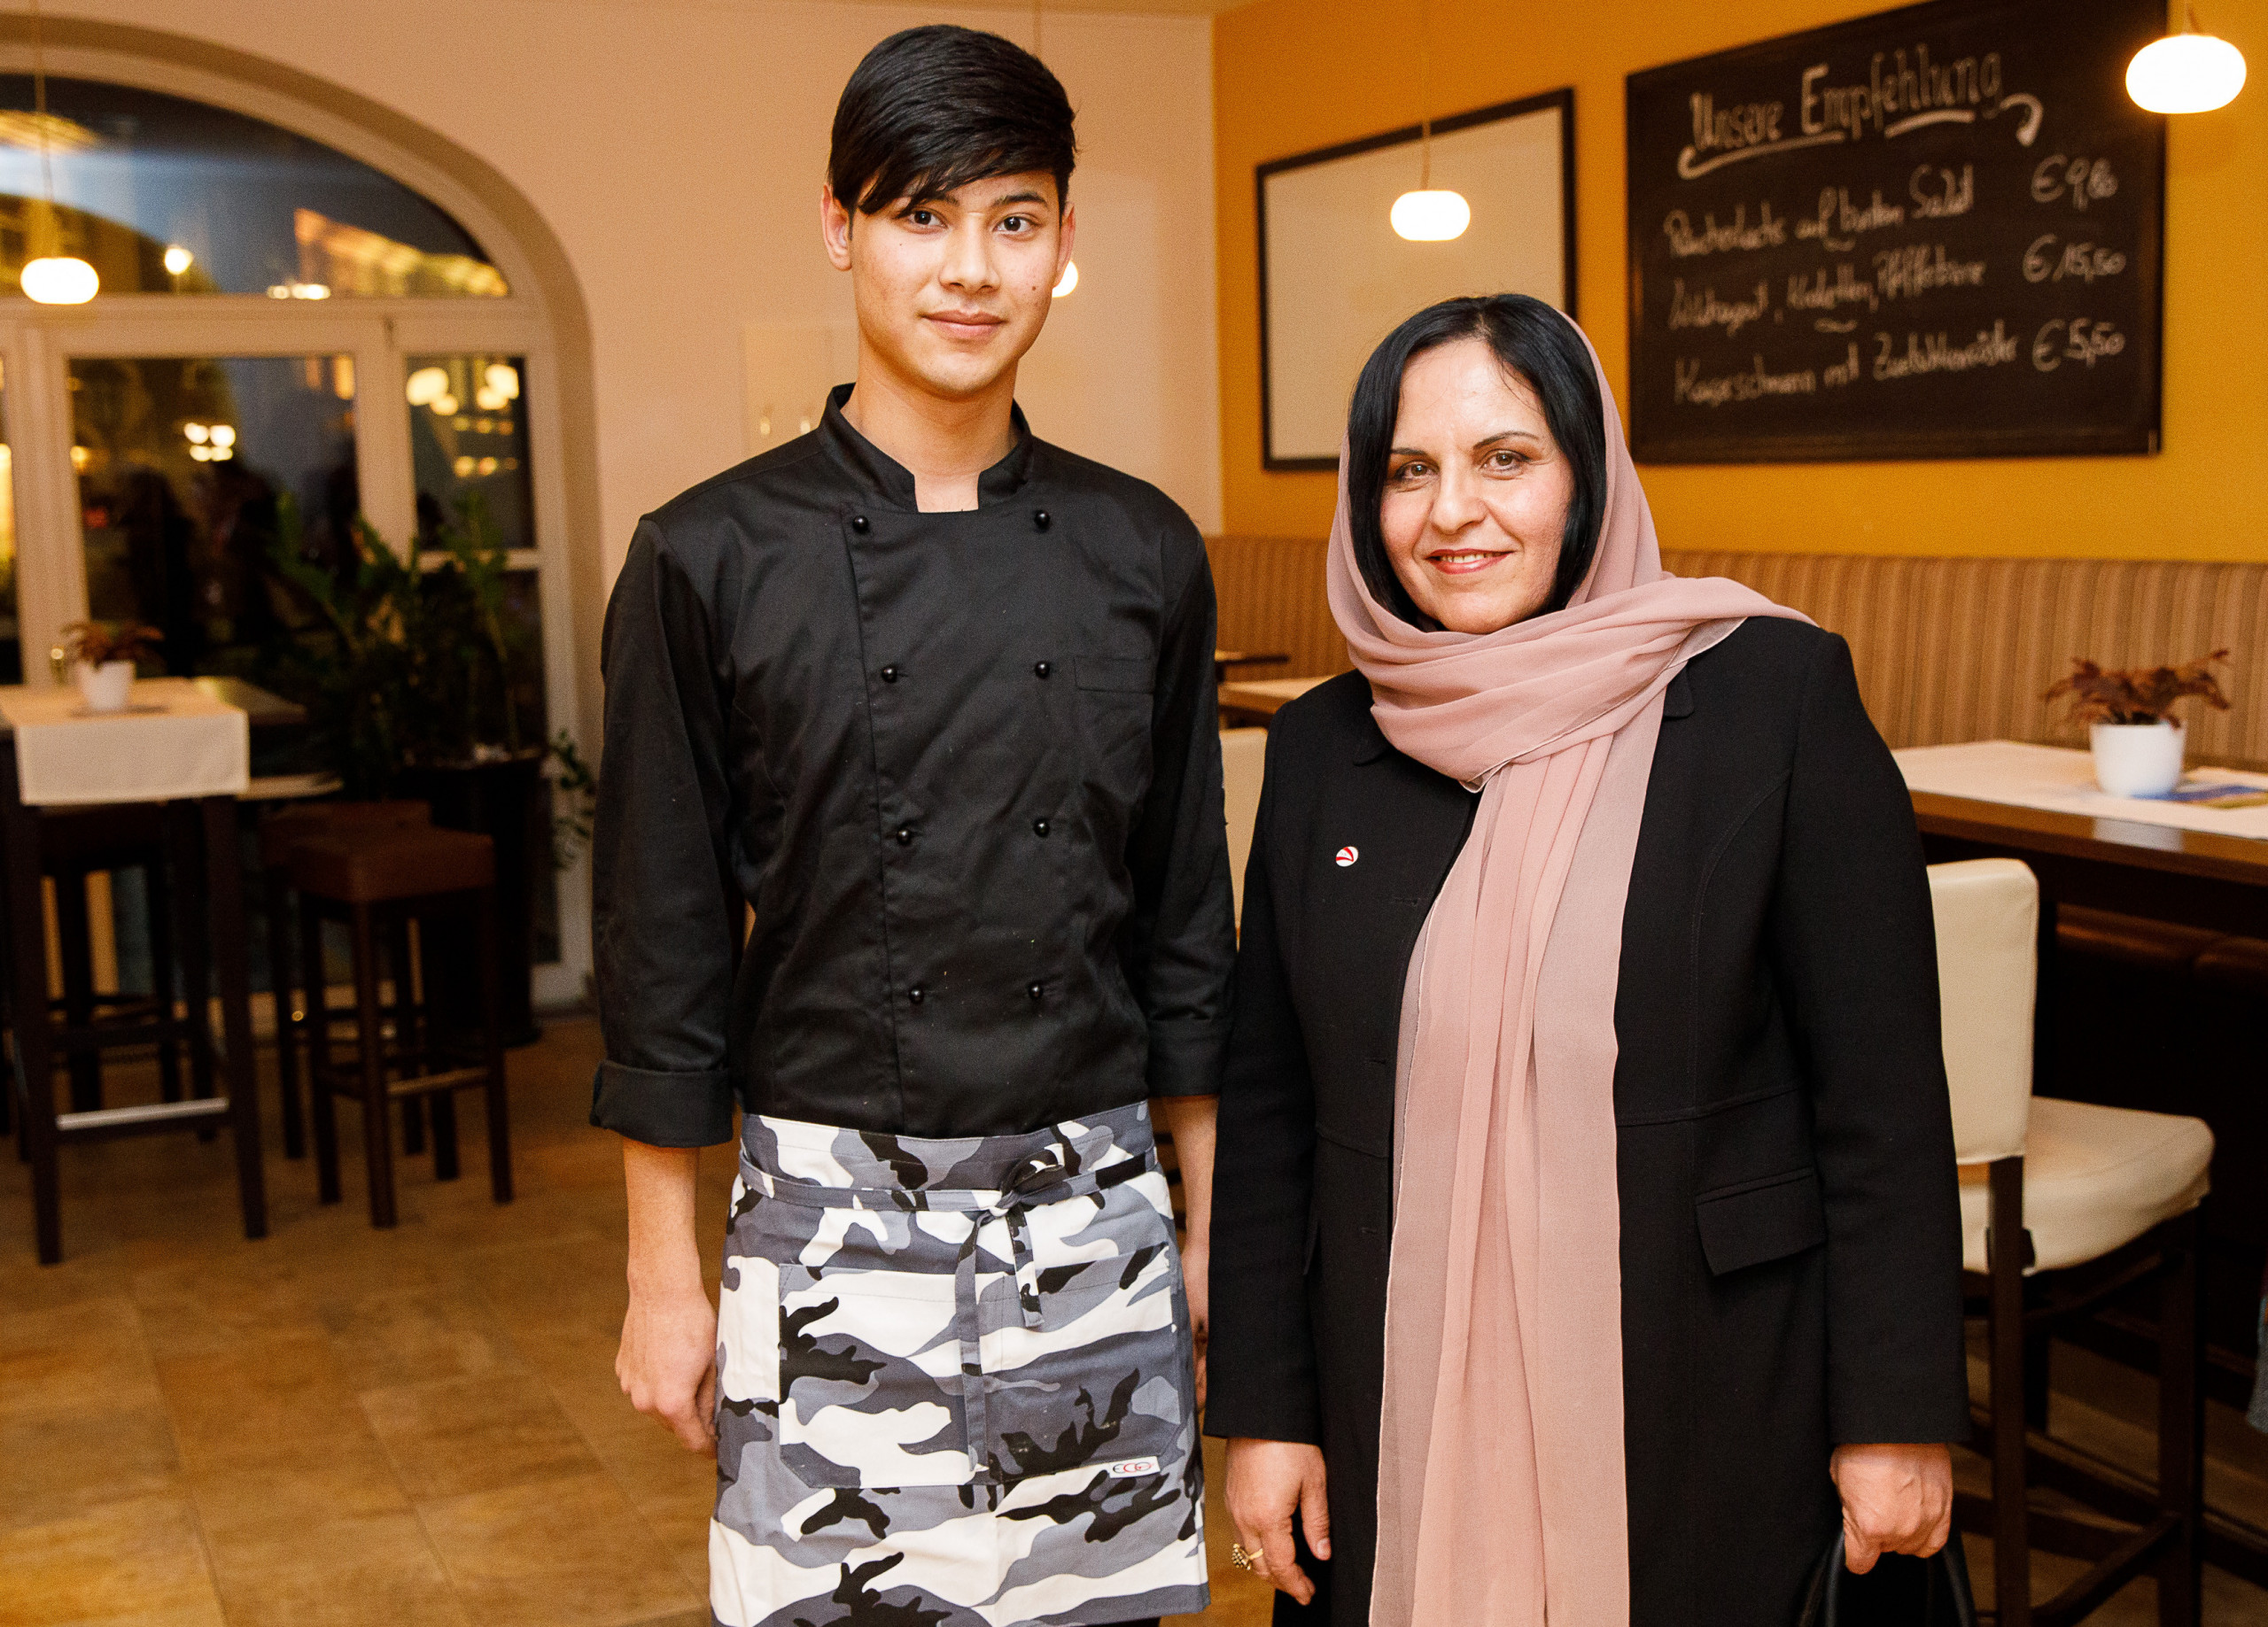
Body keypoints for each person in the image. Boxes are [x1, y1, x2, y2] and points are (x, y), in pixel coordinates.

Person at [591, 26, 1230, 1627]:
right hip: (825, 1229)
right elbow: (662, 955)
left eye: (1014, 220)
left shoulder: (1141, 550)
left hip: (1092, 1210)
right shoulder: (706, 556)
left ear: (1065, 247)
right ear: (840, 227)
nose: (970, 267)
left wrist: (1213, 1230)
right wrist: (662, 1280)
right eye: (921, 217)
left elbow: (1182, 931)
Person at [1205, 294, 1969, 1627]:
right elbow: (1274, 1108)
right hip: (1391, 1397)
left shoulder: (1774, 700)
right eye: (1409, 470)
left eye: (1509, 457)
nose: (1455, 512)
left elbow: (1884, 1108)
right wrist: (1266, 1413)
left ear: (1588, 476)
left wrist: (1896, 1418)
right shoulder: (1328, 744)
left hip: (1717, 1392)